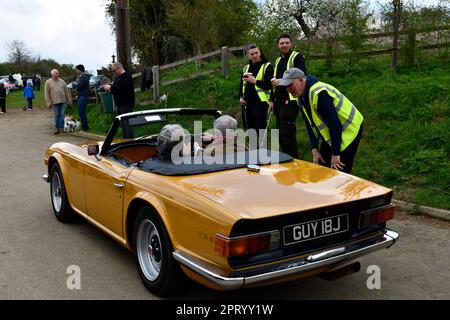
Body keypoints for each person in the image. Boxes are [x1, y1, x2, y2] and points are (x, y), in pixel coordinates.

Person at [279, 68, 364, 173]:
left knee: (339, 170)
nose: (288, 89)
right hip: (334, 130)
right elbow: (309, 124)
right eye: (286, 87)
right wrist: (314, 149)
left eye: (290, 85)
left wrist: (336, 153)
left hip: (350, 128)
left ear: (301, 79)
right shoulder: (301, 97)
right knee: (323, 165)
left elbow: (335, 125)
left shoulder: (318, 93)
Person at [269, 33, 307, 159]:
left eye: (286, 43)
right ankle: (285, 159)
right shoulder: (278, 60)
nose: (284, 45)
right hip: (278, 101)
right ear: (278, 45)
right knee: (279, 134)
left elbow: (302, 76)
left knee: (288, 134)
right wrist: (271, 100)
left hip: (290, 100)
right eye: (282, 43)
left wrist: (280, 81)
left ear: (291, 44)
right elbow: (274, 82)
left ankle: (293, 161)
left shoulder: (297, 57)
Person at [239, 45, 273, 134]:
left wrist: (255, 81)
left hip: (260, 104)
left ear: (260, 53)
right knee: (250, 133)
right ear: (248, 56)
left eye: (256, 53)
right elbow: (241, 85)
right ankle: (253, 148)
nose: (254, 55)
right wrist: (241, 98)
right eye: (252, 54)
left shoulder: (267, 66)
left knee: (261, 133)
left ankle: (263, 148)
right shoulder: (246, 68)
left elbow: (270, 85)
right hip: (247, 104)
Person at [103, 62, 135, 138]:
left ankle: (130, 142)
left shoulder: (126, 76)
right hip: (119, 104)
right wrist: (110, 89)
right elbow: (116, 90)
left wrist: (110, 87)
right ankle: (124, 142)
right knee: (123, 126)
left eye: (114, 71)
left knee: (127, 125)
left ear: (119, 68)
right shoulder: (117, 78)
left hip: (126, 104)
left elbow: (123, 89)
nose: (114, 73)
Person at [44, 69, 72, 134]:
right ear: (52, 74)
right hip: (54, 102)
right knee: (57, 115)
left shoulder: (62, 81)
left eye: (58, 73)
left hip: (63, 101)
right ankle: (57, 128)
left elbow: (66, 92)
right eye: (56, 73)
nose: (57, 74)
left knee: (62, 114)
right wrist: (48, 103)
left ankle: (61, 128)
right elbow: (46, 93)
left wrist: (69, 101)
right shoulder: (48, 82)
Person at [74, 64, 91, 131]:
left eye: (77, 69)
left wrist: (75, 85)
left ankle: (85, 127)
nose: (76, 71)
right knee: (81, 112)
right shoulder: (81, 77)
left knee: (81, 112)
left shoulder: (84, 77)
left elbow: (79, 87)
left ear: (79, 69)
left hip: (83, 96)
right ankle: (85, 127)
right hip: (81, 96)